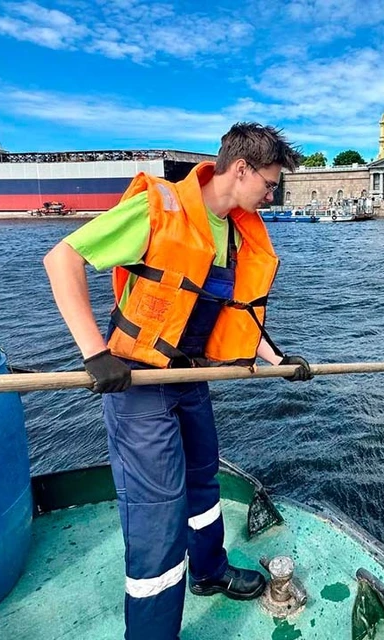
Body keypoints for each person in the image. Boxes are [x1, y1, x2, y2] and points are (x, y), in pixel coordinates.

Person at [43, 122, 312, 639]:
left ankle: (209, 573)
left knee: (203, 482)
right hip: (137, 385)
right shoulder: (158, 209)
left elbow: (236, 310)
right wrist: (96, 354)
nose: (272, 194)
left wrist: (276, 360)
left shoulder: (235, 230)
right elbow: (62, 259)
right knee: (157, 518)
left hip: (191, 377)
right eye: (270, 183)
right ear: (241, 169)